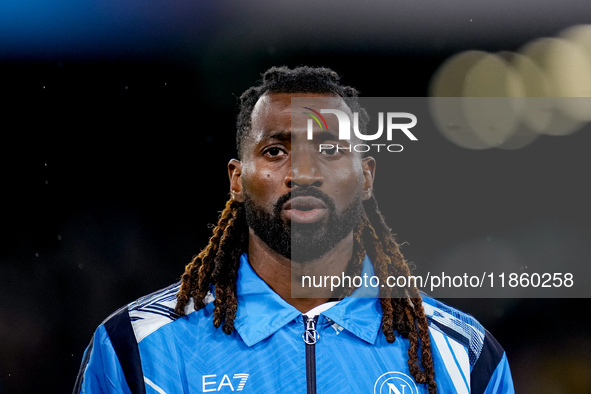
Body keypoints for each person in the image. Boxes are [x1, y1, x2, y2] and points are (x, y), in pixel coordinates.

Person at [74, 66, 514, 394]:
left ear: (366, 178)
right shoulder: (140, 348)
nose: (303, 172)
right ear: (236, 179)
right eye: (275, 150)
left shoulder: (465, 355)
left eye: (328, 148)